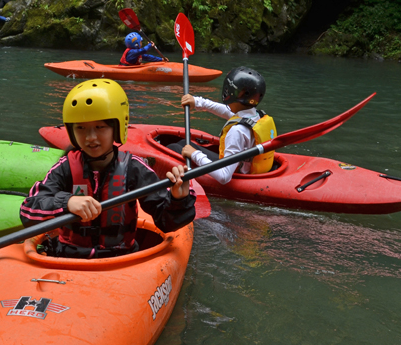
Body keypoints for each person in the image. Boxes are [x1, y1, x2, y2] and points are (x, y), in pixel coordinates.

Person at [20, 79, 195, 259]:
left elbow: (166, 221)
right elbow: (28, 211)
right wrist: (66, 203)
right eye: (81, 128)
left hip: (120, 258)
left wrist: (178, 200)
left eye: (100, 127)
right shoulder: (65, 167)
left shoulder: (134, 168)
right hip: (69, 258)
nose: (90, 137)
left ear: (117, 127)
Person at [172, 66, 277, 184]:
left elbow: (224, 177)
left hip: (236, 172)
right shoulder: (256, 115)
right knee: (182, 143)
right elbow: (226, 111)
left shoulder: (237, 131)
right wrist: (198, 102)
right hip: (247, 167)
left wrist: (195, 154)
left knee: (175, 148)